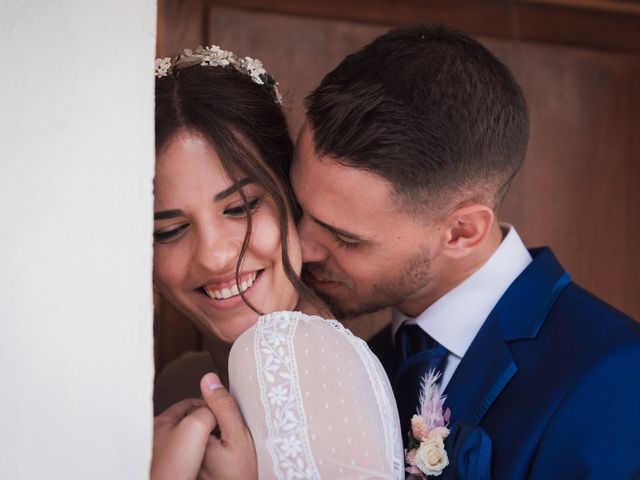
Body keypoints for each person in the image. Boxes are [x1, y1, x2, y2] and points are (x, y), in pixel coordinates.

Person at [290, 25, 640, 478]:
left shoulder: (617, 375)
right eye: (298, 207)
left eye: (345, 237)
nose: (298, 247)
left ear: (462, 231)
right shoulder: (351, 363)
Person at [150, 46, 403, 480]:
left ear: (292, 196)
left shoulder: (296, 351)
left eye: (240, 207)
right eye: (170, 230)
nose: (214, 254)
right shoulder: (179, 381)